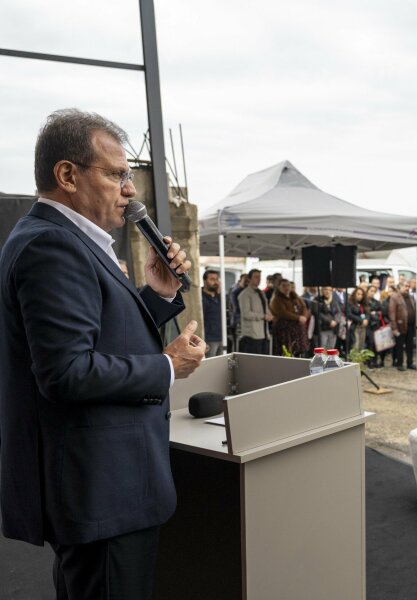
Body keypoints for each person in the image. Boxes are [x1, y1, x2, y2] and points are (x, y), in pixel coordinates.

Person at [0, 109, 206, 599]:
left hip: (99, 490)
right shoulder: (54, 245)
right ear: (67, 175)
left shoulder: (65, 240)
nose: (129, 190)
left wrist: (155, 295)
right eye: (116, 175)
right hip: (102, 492)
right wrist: (167, 365)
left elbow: (102, 339)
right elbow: (67, 372)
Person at [269, 278, 309, 357]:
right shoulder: (276, 299)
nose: (286, 288)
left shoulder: (295, 297)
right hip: (284, 331)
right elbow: (283, 313)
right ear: (279, 287)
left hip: (298, 330)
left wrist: (304, 316)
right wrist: (298, 318)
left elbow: (304, 307)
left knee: (298, 352)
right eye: (283, 286)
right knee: (286, 352)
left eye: (288, 285)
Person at [238, 269, 272, 354]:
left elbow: (266, 308)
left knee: (264, 360)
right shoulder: (244, 294)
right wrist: (263, 316)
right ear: (249, 279)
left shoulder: (261, 293)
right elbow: (246, 314)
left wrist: (269, 315)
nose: (259, 279)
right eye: (256, 277)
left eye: (260, 277)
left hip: (264, 333)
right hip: (252, 335)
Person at [388, 282, 416, 371]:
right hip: (400, 325)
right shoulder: (395, 297)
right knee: (400, 346)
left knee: (410, 345)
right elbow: (392, 313)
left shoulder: (411, 297)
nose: (407, 288)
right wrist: (394, 327)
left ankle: (410, 363)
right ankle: (400, 364)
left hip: (411, 325)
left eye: (408, 286)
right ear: (400, 287)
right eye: (405, 286)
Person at [201, 269, 224, 357]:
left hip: (221, 337)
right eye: (212, 279)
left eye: (217, 279)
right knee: (211, 365)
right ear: (205, 281)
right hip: (209, 339)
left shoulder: (219, 296)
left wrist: (220, 292)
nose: (215, 282)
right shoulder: (201, 297)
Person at [347, 287, 369, 352]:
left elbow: (367, 313)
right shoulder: (350, 303)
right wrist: (361, 320)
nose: (360, 296)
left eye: (362, 294)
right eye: (358, 294)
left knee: (361, 346)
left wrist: (366, 319)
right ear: (354, 294)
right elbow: (349, 314)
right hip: (355, 327)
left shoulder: (363, 303)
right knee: (355, 346)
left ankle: (360, 362)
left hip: (363, 327)